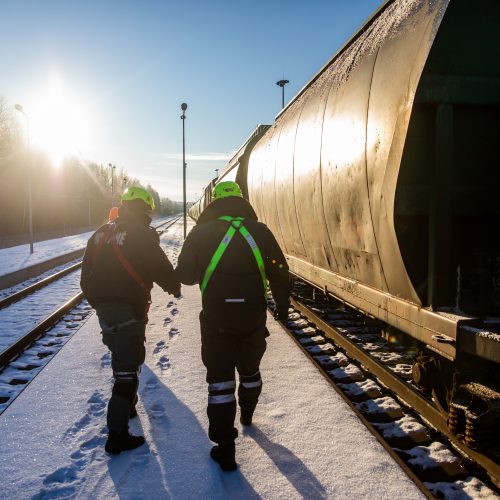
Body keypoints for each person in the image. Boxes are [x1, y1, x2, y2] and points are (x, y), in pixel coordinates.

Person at [176, 181, 289, 471]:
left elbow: (186, 276)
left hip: (216, 319)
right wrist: (282, 308)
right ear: (241, 200)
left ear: (214, 202)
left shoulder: (201, 233)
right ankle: (248, 414)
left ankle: (225, 448)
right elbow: (279, 271)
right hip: (252, 318)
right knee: (250, 371)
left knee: (220, 381)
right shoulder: (260, 231)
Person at [81, 186, 181, 454]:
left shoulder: (100, 233)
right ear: (146, 207)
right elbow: (159, 266)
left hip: (105, 310)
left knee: (122, 357)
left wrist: (100, 303)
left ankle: (129, 405)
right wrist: (175, 287)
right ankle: (117, 435)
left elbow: (85, 278)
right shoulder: (139, 233)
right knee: (127, 370)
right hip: (129, 310)